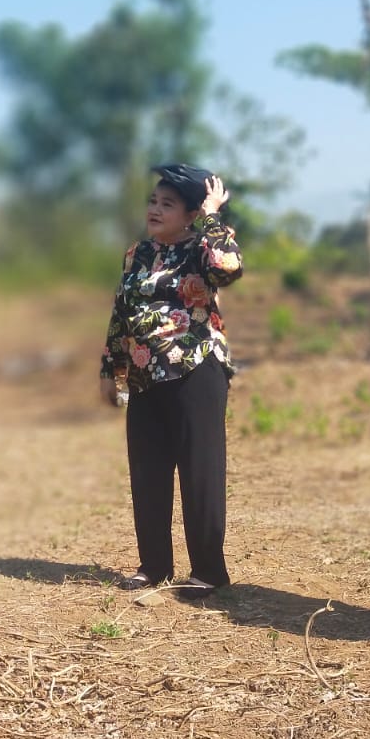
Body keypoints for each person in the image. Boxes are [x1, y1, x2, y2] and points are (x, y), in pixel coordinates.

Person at [100, 164, 243, 598]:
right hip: (145, 376)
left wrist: (212, 216)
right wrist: (111, 370)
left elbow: (228, 268)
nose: (155, 210)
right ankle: (154, 566)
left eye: (168, 204)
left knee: (200, 472)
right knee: (148, 472)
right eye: (152, 202)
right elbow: (121, 311)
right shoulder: (137, 254)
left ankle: (209, 571)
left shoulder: (204, 246)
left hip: (195, 369)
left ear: (189, 213)